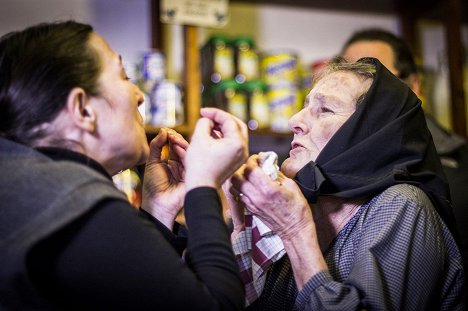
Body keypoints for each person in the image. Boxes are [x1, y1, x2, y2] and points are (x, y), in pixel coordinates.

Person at [0, 21, 247, 310]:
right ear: (82, 110)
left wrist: (159, 212)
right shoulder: (73, 204)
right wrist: (202, 185)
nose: (140, 96)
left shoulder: (29, 187)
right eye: (123, 76)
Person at [226, 57, 464, 310]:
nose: (294, 121)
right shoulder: (309, 203)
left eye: (325, 109)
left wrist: (295, 232)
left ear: (369, 136)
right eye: (305, 106)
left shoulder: (402, 203)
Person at [340, 28, 468, 307]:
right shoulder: (326, 161)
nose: (361, 94)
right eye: (350, 78)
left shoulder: (459, 164)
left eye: (374, 80)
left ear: (414, 85)